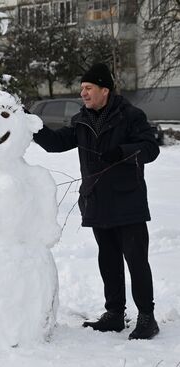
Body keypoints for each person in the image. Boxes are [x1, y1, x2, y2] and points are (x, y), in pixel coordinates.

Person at [33, 63, 160, 340]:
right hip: (97, 199)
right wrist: (31, 125)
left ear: (105, 90)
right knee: (108, 259)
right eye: (81, 89)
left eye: (88, 88)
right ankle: (115, 314)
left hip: (128, 201)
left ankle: (147, 318)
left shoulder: (130, 116)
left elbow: (151, 148)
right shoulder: (81, 121)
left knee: (136, 261)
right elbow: (55, 143)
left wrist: (123, 152)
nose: (83, 94)